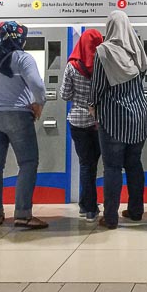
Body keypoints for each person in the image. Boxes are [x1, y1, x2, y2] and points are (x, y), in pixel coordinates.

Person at [0, 21, 48, 229]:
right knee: (28, 162)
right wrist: (38, 103)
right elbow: (38, 86)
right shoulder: (23, 58)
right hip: (17, 115)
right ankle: (23, 214)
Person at [89, 11, 147, 229]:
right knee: (134, 165)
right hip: (138, 117)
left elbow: (97, 86)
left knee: (112, 168)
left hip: (114, 119)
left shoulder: (103, 52)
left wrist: (92, 104)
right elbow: (142, 75)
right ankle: (136, 210)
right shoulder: (137, 48)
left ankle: (111, 218)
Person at [60, 28, 104, 222]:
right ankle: (90, 206)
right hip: (99, 121)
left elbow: (64, 95)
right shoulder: (103, 65)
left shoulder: (72, 66)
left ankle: (87, 206)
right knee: (94, 163)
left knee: (86, 163)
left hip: (77, 121)